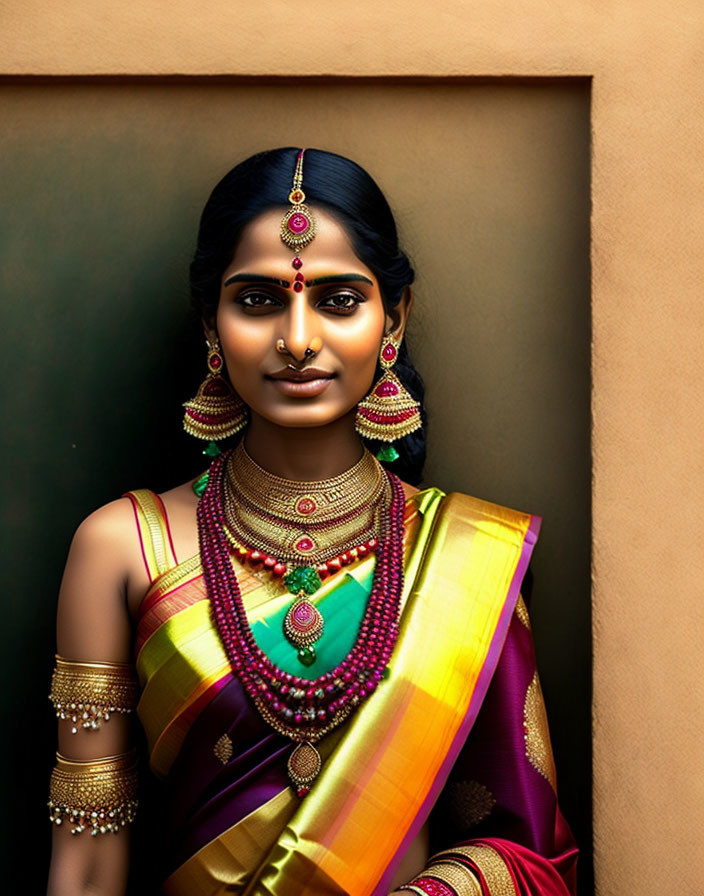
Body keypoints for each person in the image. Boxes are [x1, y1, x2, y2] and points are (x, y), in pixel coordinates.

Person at [46, 147, 578, 896]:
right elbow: (89, 856)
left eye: (338, 299)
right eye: (259, 300)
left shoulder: (464, 559)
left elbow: (527, 852)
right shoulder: (124, 547)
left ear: (394, 318)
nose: (297, 340)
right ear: (211, 321)